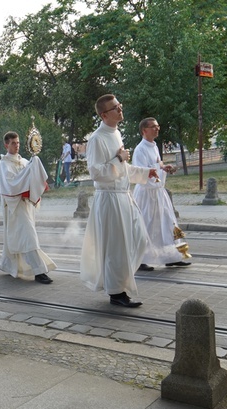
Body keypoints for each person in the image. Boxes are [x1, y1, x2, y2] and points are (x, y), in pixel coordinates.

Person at [80, 95, 158, 308]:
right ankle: (117, 292)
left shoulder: (116, 133)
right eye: (115, 108)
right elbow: (96, 173)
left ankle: (120, 281)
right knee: (117, 248)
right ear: (104, 114)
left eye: (120, 105)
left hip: (124, 196)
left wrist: (145, 172)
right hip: (110, 198)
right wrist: (119, 158)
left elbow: (122, 170)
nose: (120, 109)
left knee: (139, 239)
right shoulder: (97, 139)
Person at [0, 131, 57, 284]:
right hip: (14, 207)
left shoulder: (25, 161)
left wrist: (37, 182)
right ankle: (39, 271)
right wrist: (24, 186)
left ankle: (8, 264)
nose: (16, 146)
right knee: (29, 238)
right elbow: (10, 185)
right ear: (6, 145)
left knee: (19, 238)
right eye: (13, 143)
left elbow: (31, 179)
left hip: (26, 205)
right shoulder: (4, 163)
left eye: (17, 143)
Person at [132, 118, 191, 270]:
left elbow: (157, 165)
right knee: (146, 226)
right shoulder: (140, 150)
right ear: (144, 130)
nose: (157, 129)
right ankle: (140, 260)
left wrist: (166, 167)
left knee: (167, 224)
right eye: (153, 127)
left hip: (158, 192)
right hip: (146, 194)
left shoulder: (154, 146)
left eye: (158, 126)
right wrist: (161, 171)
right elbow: (141, 173)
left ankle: (171, 256)